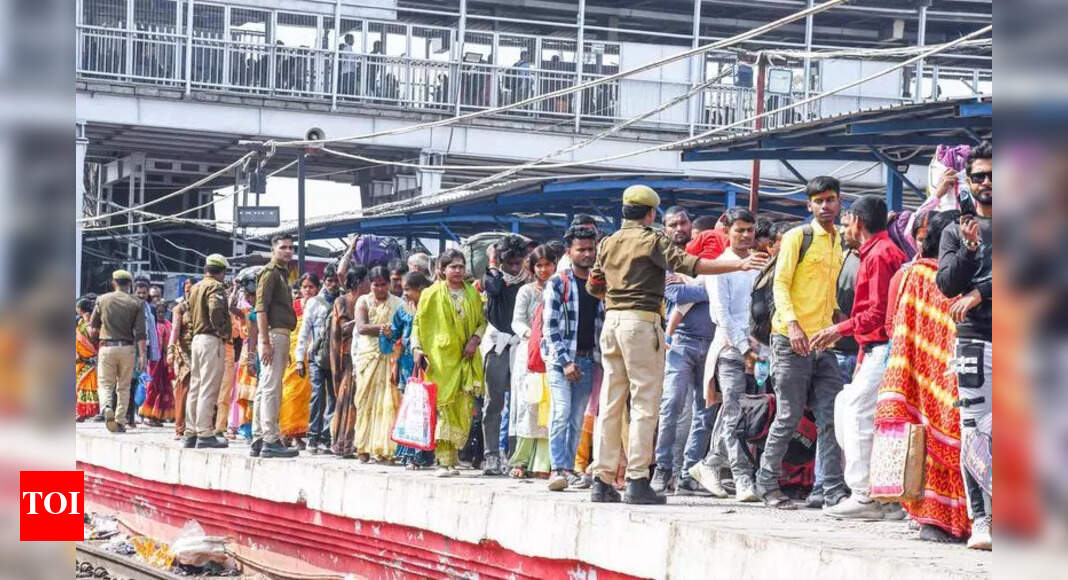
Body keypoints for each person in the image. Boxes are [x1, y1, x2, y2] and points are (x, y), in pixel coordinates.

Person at [586, 185, 767, 505]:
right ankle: (637, 480)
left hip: (611, 323)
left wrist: (618, 298)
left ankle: (601, 480)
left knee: (611, 404)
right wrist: (737, 265)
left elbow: (594, 285)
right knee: (644, 404)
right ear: (651, 213)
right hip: (641, 324)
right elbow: (693, 265)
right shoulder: (652, 240)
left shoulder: (608, 242)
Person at [809, 195, 907, 519]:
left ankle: (865, 495)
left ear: (858, 223)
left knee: (855, 412)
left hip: (881, 348)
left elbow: (877, 314)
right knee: (853, 411)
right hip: (874, 349)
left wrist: (839, 329)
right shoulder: (879, 251)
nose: (843, 227)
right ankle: (885, 498)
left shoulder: (878, 255)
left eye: (847, 221)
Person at [754, 176, 848, 510]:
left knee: (830, 417)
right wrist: (793, 326)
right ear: (809, 205)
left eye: (830, 199)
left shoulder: (840, 241)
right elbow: (780, 284)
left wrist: (838, 322)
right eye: (819, 201)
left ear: (839, 202)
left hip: (824, 343)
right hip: (790, 340)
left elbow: (831, 293)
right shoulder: (798, 237)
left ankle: (830, 489)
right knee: (789, 415)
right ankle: (766, 484)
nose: (825, 206)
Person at [877, 210, 971, 543]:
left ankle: (952, 520)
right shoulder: (925, 274)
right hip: (935, 372)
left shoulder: (929, 273)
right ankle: (939, 520)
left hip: (935, 371)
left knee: (951, 442)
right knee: (941, 444)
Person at [935, 141, 992, 551]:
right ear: (968, 183)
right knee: (974, 431)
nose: (987, 183)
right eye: (979, 177)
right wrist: (970, 250)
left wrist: (980, 293)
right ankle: (983, 520)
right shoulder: (955, 230)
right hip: (974, 343)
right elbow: (946, 285)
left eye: (994, 175)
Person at [686, 208, 762, 501]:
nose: (745, 236)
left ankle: (710, 464)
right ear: (727, 232)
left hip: (758, 351)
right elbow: (722, 315)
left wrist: (759, 349)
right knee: (734, 413)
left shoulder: (758, 264)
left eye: (749, 230)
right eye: (739, 230)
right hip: (730, 350)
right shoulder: (719, 267)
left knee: (747, 414)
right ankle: (742, 478)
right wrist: (745, 349)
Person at [413, 250, 487, 477]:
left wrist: (475, 340)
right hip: (440, 360)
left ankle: (453, 458)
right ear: (442, 270)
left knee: (463, 408)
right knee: (444, 407)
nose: (457, 271)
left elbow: (482, 322)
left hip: (466, 359)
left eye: (461, 266)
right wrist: (416, 347)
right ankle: (443, 460)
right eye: (452, 267)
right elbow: (418, 323)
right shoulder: (431, 294)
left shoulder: (472, 295)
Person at [543, 228, 605, 491]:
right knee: (561, 413)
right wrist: (565, 361)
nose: (587, 254)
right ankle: (557, 469)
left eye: (591, 249)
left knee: (578, 418)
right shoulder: (558, 282)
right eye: (581, 249)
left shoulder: (600, 282)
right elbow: (550, 326)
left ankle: (568, 469)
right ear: (570, 252)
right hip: (561, 361)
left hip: (588, 359)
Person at [480, 235, 531, 476]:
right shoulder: (493, 277)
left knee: (521, 403)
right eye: (509, 263)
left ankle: (515, 456)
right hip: (498, 345)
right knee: (494, 402)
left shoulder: (529, 282)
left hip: (521, 345)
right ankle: (491, 454)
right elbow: (494, 288)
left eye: (517, 263)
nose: (514, 268)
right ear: (500, 261)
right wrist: (492, 261)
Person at [508, 244, 559, 480]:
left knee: (548, 408)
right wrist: (533, 336)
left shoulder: (560, 288)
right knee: (528, 406)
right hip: (529, 354)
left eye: (548, 264)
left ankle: (543, 463)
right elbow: (516, 322)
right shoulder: (526, 291)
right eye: (539, 265)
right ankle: (520, 460)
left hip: (554, 354)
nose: (544, 269)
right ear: (533, 267)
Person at [251, 234, 300, 459]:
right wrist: (264, 341)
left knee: (265, 386)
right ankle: (270, 439)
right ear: (274, 250)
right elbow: (260, 308)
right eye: (283, 248)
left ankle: (260, 437)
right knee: (271, 387)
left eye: (291, 248)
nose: (288, 251)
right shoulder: (270, 273)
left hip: (278, 334)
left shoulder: (281, 274)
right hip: (273, 333)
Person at [352, 266, 404, 462]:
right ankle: (363, 447)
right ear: (370, 285)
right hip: (368, 357)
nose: (380, 289)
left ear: (389, 284)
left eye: (383, 285)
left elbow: (402, 330)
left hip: (390, 357)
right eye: (376, 285)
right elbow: (362, 327)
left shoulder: (398, 303)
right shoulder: (363, 301)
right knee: (365, 402)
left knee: (388, 402)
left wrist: (393, 332)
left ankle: (386, 449)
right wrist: (386, 328)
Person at [182, 254, 232, 449]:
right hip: (211, 339)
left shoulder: (194, 288)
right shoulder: (215, 287)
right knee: (209, 387)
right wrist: (223, 330)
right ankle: (204, 432)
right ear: (222, 271)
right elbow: (215, 310)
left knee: (196, 385)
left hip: (196, 339)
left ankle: (190, 432)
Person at [89, 270, 147, 434]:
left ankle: (107, 406)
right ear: (130, 284)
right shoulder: (136, 303)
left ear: (114, 283)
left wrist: (97, 337)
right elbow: (141, 333)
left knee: (105, 383)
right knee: (124, 386)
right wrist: (142, 355)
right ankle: (120, 421)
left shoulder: (102, 300)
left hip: (106, 347)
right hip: (127, 348)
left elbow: (93, 328)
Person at [389, 271, 435, 469]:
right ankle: (408, 453)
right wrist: (387, 336)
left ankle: (425, 454)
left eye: (408, 289)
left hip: (431, 363)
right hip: (408, 366)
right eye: (403, 289)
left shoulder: (433, 307)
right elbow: (394, 337)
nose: (404, 293)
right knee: (411, 410)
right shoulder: (402, 310)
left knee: (428, 409)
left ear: (421, 290)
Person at [295, 268, 340, 453]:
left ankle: (326, 436)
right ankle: (313, 436)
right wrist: (299, 358)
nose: (332, 284)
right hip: (315, 356)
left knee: (333, 397)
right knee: (317, 396)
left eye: (335, 281)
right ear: (324, 282)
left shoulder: (342, 301)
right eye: (329, 281)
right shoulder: (314, 303)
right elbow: (304, 331)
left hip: (335, 357)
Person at [330, 266, 369, 458]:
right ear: (360, 282)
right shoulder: (343, 301)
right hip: (348, 356)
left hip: (366, 352)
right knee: (349, 398)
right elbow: (342, 329)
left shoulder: (368, 300)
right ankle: (344, 442)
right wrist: (360, 323)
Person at [279, 274, 319, 449]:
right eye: (305, 287)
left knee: (307, 395)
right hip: (293, 355)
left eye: (311, 287)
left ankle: (299, 434)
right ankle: (285, 431)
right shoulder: (293, 307)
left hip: (313, 354)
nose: (308, 290)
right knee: (289, 392)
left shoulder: (320, 307)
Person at [130, 277, 161, 426]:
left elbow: (153, 331)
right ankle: (131, 413)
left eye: (144, 293)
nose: (141, 295)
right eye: (139, 293)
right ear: (134, 292)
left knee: (141, 382)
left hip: (146, 348)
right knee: (131, 381)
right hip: (131, 348)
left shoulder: (151, 309)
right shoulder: (129, 306)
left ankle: (138, 411)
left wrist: (152, 352)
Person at [139, 301, 174, 426]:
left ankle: (158, 416)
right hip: (153, 361)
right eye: (158, 312)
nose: (160, 314)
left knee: (164, 389)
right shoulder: (152, 326)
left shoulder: (169, 325)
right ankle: (148, 415)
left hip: (164, 362)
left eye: (162, 312)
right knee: (151, 387)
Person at [168, 295, 194, 440]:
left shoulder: (201, 307)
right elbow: (175, 330)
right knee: (183, 389)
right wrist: (170, 350)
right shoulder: (180, 309)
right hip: (183, 352)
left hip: (199, 351)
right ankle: (180, 428)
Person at [75, 296, 101, 421]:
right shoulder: (81, 323)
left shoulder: (88, 325)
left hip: (88, 360)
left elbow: (93, 337)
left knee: (88, 387)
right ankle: (82, 412)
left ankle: (89, 411)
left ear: (80, 309)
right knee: (80, 387)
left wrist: (88, 322)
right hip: (80, 360)